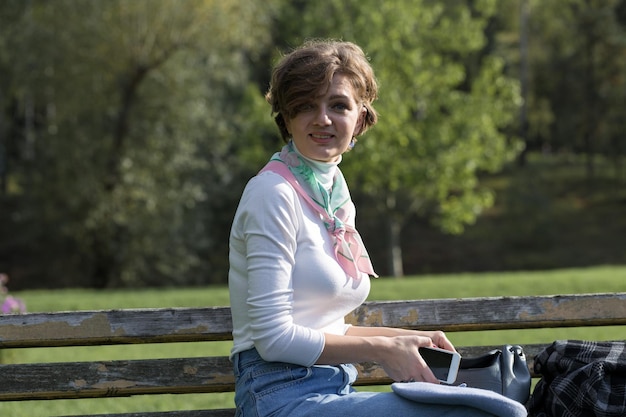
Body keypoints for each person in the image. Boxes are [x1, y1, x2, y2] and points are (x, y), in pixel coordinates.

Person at [228, 40, 496, 417]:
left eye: (338, 105)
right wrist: (380, 349)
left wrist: (409, 341)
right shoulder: (272, 194)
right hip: (280, 397)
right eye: (305, 105)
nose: (322, 119)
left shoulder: (333, 194)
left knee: (496, 406)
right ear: (286, 118)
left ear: (361, 118)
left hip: (333, 390)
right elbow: (273, 341)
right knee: (481, 414)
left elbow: (326, 328)